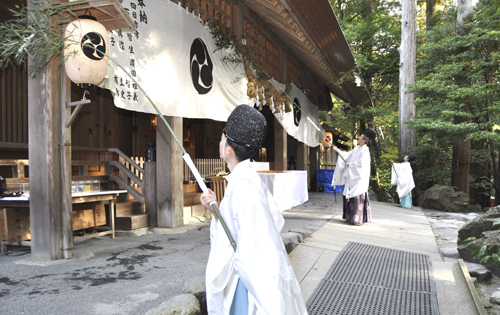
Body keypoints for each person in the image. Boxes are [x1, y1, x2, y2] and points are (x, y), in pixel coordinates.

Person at [200, 104, 307, 315]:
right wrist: (216, 211)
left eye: (222, 139)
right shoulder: (248, 178)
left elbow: (249, 250)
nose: (220, 142)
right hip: (250, 277)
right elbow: (270, 222)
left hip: (248, 286)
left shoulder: (243, 186)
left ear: (228, 149)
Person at [331, 128, 376, 226]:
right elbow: (347, 156)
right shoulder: (357, 149)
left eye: (361, 136)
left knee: (357, 195)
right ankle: (349, 217)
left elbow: (362, 164)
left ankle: (358, 219)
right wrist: (338, 150)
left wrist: (350, 165)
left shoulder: (365, 150)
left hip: (359, 178)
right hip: (353, 177)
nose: (359, 137)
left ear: (364, 140)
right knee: (350, 195)